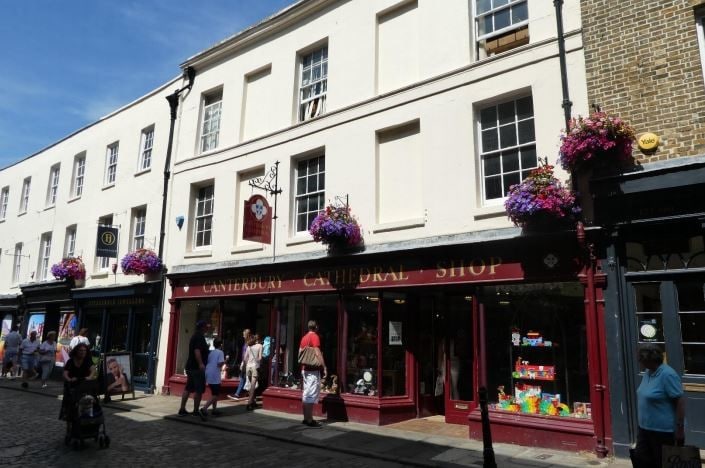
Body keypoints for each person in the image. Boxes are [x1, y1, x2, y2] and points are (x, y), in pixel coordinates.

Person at [630, 344, 686, 468]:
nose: (639, 362)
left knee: (661, 463)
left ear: (649, 360)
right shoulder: (648, 372)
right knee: (641, 461)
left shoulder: (667, 374)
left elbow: (680, 401)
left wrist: (680, 429)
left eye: (641, 359)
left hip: (662, 431)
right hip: (644, 428)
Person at [178, 320, 210, 421]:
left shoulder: (195, 336)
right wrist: (201, 364)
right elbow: (197, 350)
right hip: (196, 368)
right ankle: (195, 411)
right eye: (206, 327)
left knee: (188, 388)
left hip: (190, 366)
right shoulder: (199, 337)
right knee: (198, 390)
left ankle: (182, 409)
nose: (207, 328)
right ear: (202, 327)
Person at [299, 320, 326, 428]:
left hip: (305, 369)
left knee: (306, 394)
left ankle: (306, 418)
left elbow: (300, 352)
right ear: (316, 327)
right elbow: (317, 352)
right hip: (312, 370)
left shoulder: (304, 337)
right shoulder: (314, 336)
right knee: (310, 395)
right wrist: (324, 366)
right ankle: (310, 420)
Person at [60, 343, 96, 420]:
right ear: (76, 351)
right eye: (81, 350)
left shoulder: (87, 361)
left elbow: (93, 370)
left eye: (84, 350)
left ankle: (86, 418)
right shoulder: (70, 361)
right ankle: (69, 420)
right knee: (69, 405)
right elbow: (65, 373)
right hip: (72, 385)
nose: (83, 352)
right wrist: (69, 379)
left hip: (84, 385)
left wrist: (89, 377)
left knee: (87, 401)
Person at [201, 337, 225, 417]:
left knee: (214, 392)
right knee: (216, 394)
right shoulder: (220, 352)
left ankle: (214, 410)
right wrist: (225, 361)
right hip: (214, 374)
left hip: (208, 372)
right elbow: (219, 364)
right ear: (221, 345)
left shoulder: (211, 352)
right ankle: (204, 408)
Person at [227, 328, 251, 401]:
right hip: (244, 362)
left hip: (247, 363)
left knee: (245, 378)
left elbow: (248, 354)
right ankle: (249, 395)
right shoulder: (246, 342)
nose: (243, 336)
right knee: (245, 378)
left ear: (247, 335)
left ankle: (239, 394)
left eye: (244, 335)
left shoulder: (249, 343)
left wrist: (244, 362)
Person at [242, 334, 263, 411]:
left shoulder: (249, 347)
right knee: (253, 386)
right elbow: (260, 358)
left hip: (248, 366)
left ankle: (253, 401)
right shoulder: (260, 346)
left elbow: (245, 358)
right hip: (254, 366)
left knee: (251, 385)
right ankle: (249, 403)